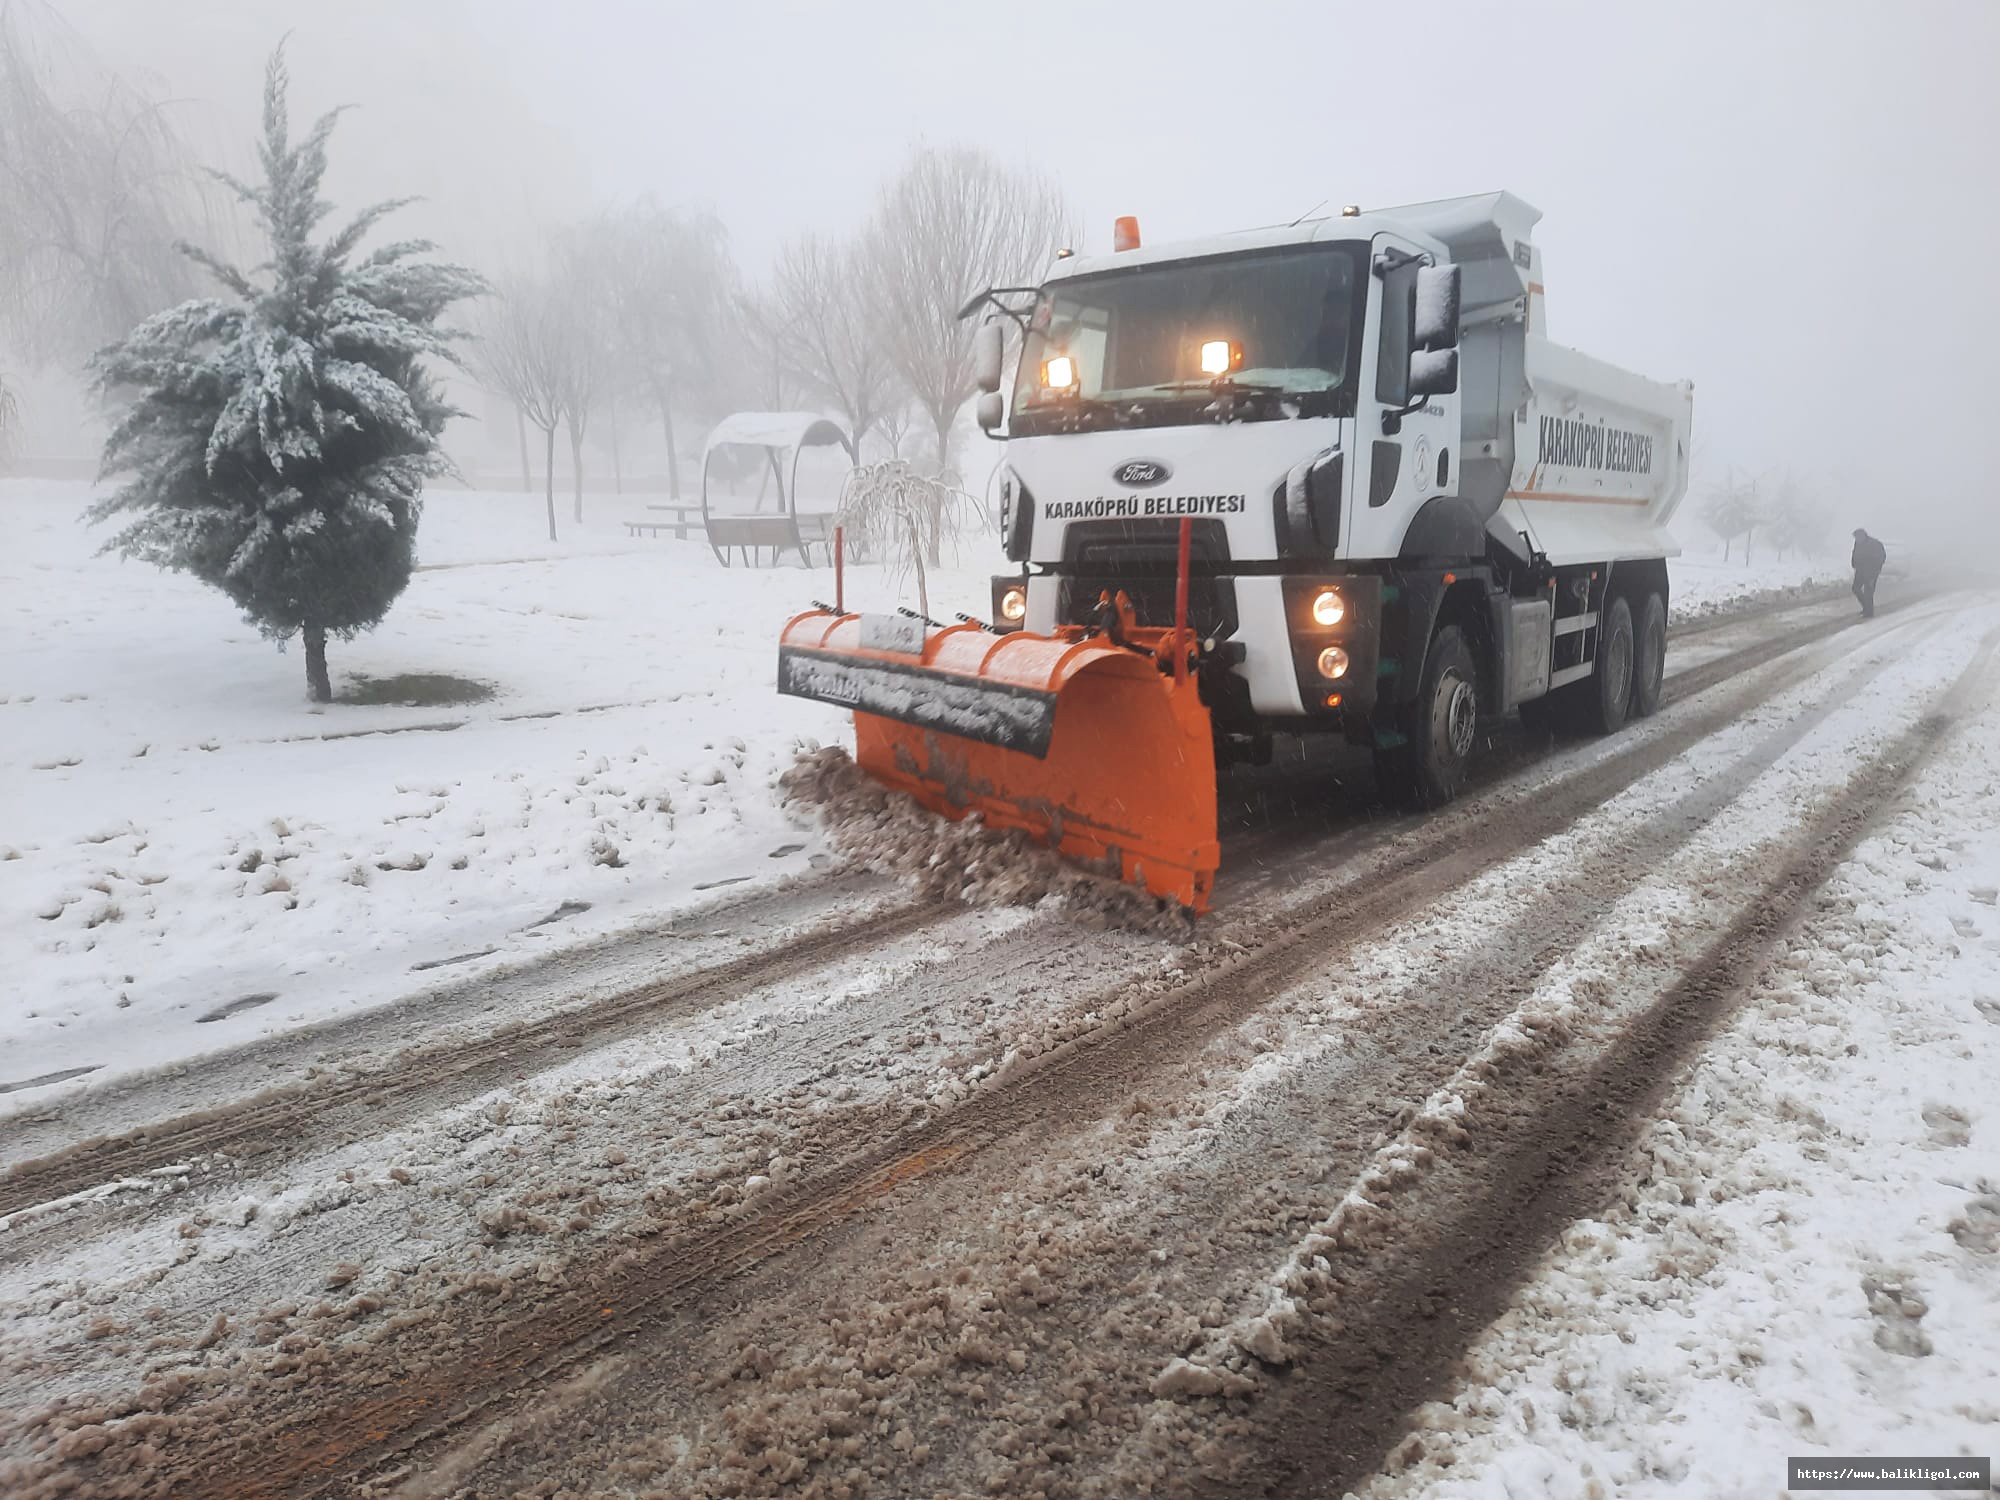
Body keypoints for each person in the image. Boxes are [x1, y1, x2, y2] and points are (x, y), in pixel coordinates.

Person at [1851, 527, 1887, 618]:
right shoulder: (1857, 544)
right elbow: (1855, 553)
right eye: (1855, 538)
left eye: (1857, 537)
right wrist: (1853, 563)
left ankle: (1869, 613)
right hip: (1860, 571)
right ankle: (1866, 607)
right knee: (1855, 588)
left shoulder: (1874, 544)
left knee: (1868, 592)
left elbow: (1881, 557)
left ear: (1863, 535)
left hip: (1871, 572)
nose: (1856, 539)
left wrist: (1876, 569)